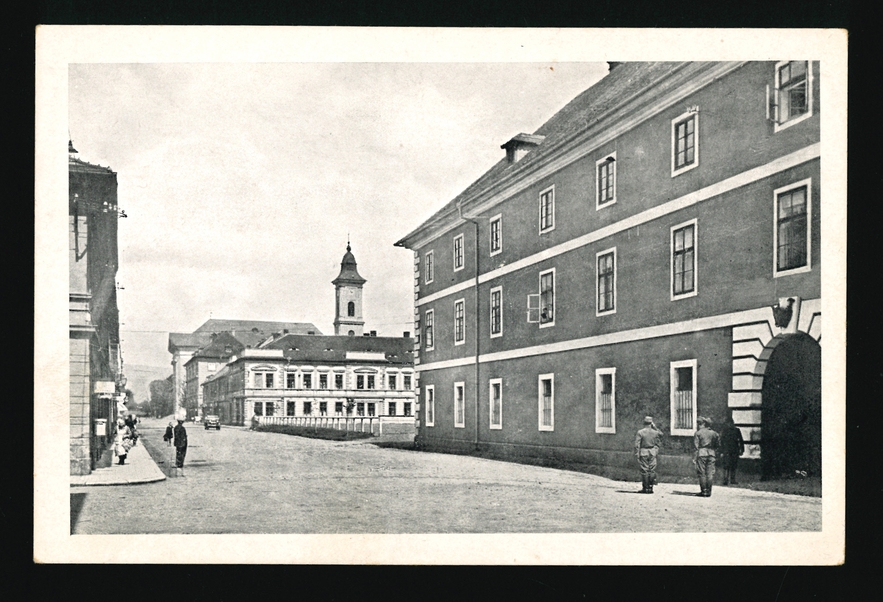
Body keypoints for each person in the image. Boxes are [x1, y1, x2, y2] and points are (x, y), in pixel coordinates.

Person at [634, 416, 663, 494]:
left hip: (643, 452)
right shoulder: (655, 432)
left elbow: (637, 444)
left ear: (644, 423)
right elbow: (661, 436)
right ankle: (650, 488)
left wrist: (637, 453)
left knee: (645, 470)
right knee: (652, 470)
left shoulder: (640, 432)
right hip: (652, 452)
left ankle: (645, 488)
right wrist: (655, 427)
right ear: (651, 423)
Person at [693, 416, 721, 497]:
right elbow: (718, 445)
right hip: (712, 453)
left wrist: (694, 457)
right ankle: (709, 491)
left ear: (703, 424)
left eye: (699, 424)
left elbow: (696, 447)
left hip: (702, 453)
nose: (698, 425)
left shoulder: (698, 433)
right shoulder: (715, 433)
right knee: (710, 473)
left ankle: (703, 491)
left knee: (702, 473)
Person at [719, 415, 745, 485]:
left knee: (732, 465)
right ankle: (727, 480)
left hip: (731, 450)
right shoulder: (726, 431)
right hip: (729, 450)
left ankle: (730, 480)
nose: (729, 424)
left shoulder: (734, 430)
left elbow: (740, 441)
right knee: (727, 466)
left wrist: (742, 449)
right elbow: (721, 441)